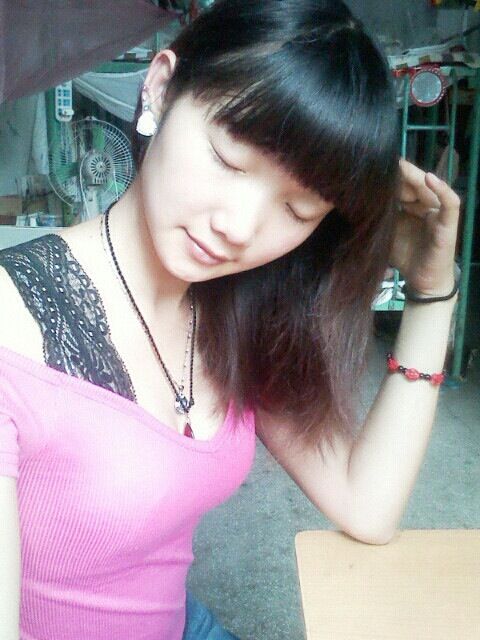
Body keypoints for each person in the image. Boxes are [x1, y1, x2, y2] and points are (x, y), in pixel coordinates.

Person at [0, 1, 461, 639]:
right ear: (160, 89)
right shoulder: (13, 329)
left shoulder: (236, 312)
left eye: (298, 211)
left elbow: (367, 505)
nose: (239, 229)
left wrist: (433, 294)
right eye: (230, 159)